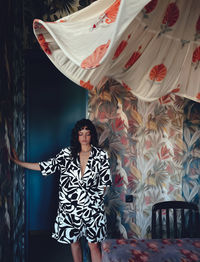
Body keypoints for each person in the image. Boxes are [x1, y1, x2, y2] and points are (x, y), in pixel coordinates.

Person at [11, 118, 112, 262]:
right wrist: (19, 162)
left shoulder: (100, 155)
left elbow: (105, 181)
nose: (84, 137)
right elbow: (45, 166)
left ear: (92, 136)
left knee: (93, 245)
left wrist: (94, 201)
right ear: (76, 136)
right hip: (70, 209)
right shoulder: (67, 154)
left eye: (87, 133)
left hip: (92, 209)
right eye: (81, 133)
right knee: (74, 242)